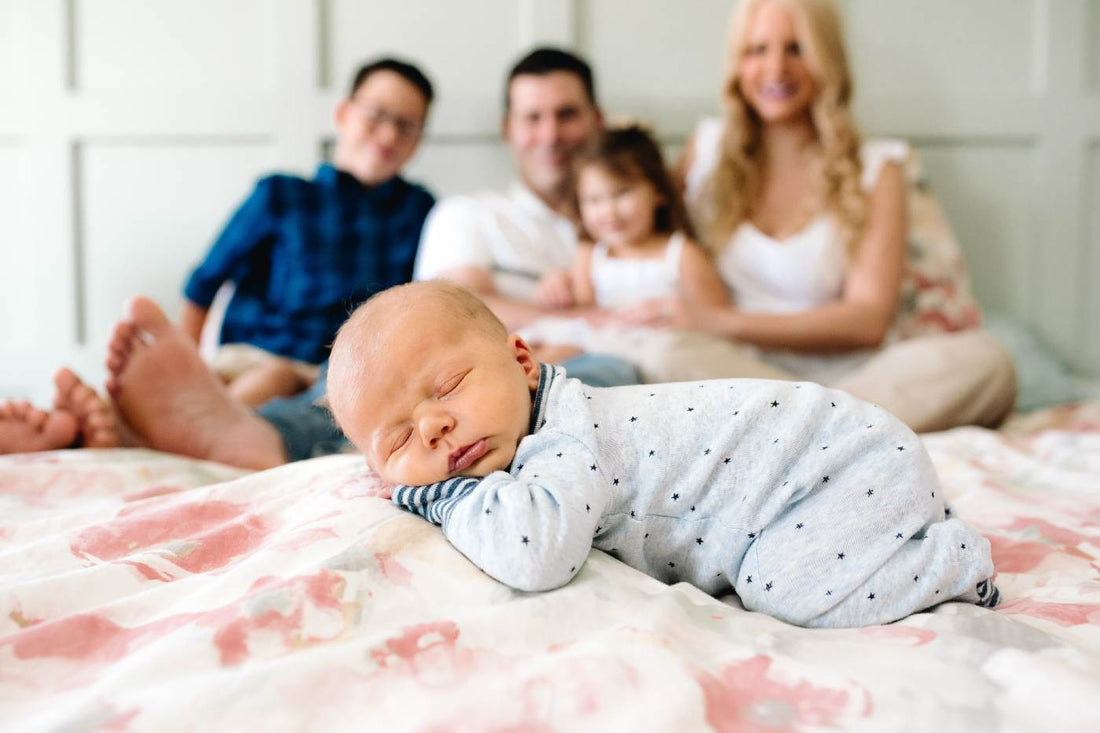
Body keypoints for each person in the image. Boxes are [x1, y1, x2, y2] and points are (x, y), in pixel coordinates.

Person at [325, 280, 1000, 629]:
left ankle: (952, 561)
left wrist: (439, 494)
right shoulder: (532, 438)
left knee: (782, 588)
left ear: (523, 363)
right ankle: (904, 525)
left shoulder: (564, 435)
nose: (434, 426)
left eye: (447, 386)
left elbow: (536, 552)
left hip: (838, 461)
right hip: (834, 469)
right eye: (399, 439)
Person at [615, 0, 1015, 433]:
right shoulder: (706, 151)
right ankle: (837, 431)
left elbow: (867, 320)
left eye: (797, 48)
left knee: (988, 361)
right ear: (737, 64)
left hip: (857, 377)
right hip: (738, 371)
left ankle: (797, 430)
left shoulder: (878, 167)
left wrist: (721, 321)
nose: (775, 69)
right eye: (758, 50)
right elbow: (639, 242)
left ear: (827, 59)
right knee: (663, 353)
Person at [181, 57, 436, 407]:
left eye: (406, 126)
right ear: (343, 114)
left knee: (316, 392)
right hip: (252, 360)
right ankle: (193, 413)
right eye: (377, 115)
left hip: (344, 377)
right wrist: (187, 372)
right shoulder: (280, 194)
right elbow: (203, 285)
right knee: (273, 377)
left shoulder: (420, 210)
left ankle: (209, 424)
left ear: (418, 140)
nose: (389, 134)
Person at [412, 47, 639, 382]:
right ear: (507, 128)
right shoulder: (467, 215)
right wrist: (590, 321)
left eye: (567, 115)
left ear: (598, 120)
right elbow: (453, 313)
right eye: (532, 118)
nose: (551, 136)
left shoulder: (634, 224)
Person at [517, 124, 733, 377]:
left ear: (658, 192)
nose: (609, 211)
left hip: (655, 349)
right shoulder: (590, 254)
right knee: (542, 344)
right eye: (594, 200)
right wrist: (558, 284)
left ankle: (526, 380)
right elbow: (585, 313)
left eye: (622, 193)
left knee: (565, 351)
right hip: (601, 339)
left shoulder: (682, 254)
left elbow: (715, 322)